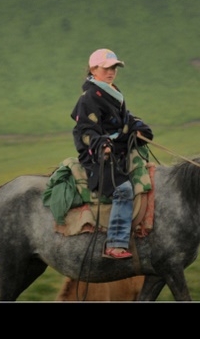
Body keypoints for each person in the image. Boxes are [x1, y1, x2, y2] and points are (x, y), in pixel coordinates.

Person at [71, 48, 154, 260]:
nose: (111, 72)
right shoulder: (88, 97)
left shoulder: (113, 91)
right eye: (107, 68)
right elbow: (86, 131)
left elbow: (125, 118)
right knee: (124, 190)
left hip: (119, 152)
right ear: (93, 69)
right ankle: (115, 244)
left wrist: (138, 127)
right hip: (99, 157)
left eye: (114, 68)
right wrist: (102, 144)